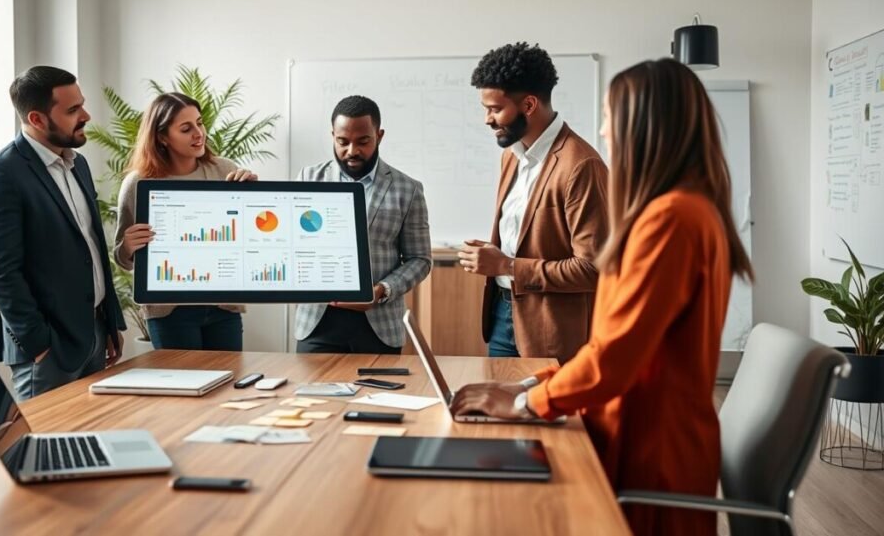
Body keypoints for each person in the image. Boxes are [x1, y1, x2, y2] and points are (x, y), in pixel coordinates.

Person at [452, 58, 754, 536]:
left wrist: (527, 403)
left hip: (648, 450)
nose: (604, 131)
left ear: (643, 128)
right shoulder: (685, 210)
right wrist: (529, 388)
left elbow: (615, 355)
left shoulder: (670, 220)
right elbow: (617, 342)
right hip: (642, 431)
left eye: (612, 117)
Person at [0, 66, 127, 401]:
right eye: (73, 110)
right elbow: (1, 272)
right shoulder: (1, 174)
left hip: (95, 335)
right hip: (48, 351)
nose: (86, 115)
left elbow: (92, 246)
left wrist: (110, 321)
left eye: (82, 105)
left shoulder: (79, 164)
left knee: (91, 443)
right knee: (45, 448)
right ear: (38, 119)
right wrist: (38, 344)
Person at [460, 42, 609, 362]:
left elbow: (593, 268)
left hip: (551, 330)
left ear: (528, 104)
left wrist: (507, 265)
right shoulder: (510, 157)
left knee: (544, 414)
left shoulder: (581, 165)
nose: (487, 119)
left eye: (495, 108)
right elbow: (535, 238)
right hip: (501, 315)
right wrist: (494, 254)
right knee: (498, 411)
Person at [114, 92, 257, 351]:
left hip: (223, 306)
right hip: (170, 312)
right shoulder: (138, 183)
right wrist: (127, 246)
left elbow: (248, 237)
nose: (198, 133)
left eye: (200, 123)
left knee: (228, 383)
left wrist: (253, 198)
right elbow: (122, 259)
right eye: (186, 128)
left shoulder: (224, 170)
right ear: (162, 137)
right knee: (181, 385)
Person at [295, 95, 431, 354]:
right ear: (332, 135)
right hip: (316, 323)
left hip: (379, 327)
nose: (352, 151)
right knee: (309, 396)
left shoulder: (408, 189)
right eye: (342, 142)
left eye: (363, 141)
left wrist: (381, 291)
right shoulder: (308, 178)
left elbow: (420, 259)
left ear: (379, 136)